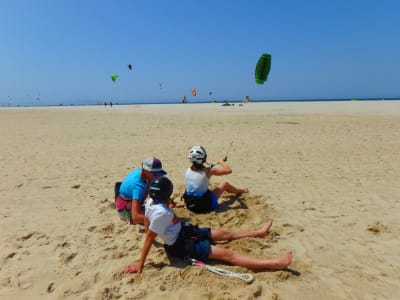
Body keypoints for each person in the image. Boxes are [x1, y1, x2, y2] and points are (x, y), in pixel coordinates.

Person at [123, 177, 292, 274]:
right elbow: (149, 237)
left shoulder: (150, 201)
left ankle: (258, 233)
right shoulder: (161, 213)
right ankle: (274, 264)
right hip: (182, 246)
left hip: (184, 231)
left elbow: (146, 218)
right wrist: (140, 263)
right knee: (227, 254)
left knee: (224, 234)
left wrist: (150, 230)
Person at [183, 146, 248, 213]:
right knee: (225, 184)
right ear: (204, 158)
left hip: (189, 204)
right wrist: (221, 162)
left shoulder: (188, 170)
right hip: (204, 206)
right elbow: (228, 170)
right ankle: (240, 191)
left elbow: (200, 168)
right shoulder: (208, 171)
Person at [114, 157, 167, 225]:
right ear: (146, 171)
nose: (157, 177)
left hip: (125, 200)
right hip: (125, 212)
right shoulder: (138, 186)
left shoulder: (141, 172)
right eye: (155, 174)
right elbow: (136, 217)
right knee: (157, 216)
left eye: (158, 174)